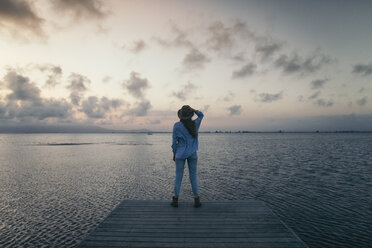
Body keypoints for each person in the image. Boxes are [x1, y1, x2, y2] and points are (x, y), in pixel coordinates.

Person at [171, 105, 204, 208]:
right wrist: (193, 110)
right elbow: (201, 115)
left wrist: (174, 153)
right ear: (190, 115)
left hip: (180, 154)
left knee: (178, 177)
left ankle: (175, 199)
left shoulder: (176, 126)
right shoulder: (195, 124)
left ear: (180, 115)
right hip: (192, 153)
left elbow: (174, 142)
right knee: (193, 176)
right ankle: (196, 199)